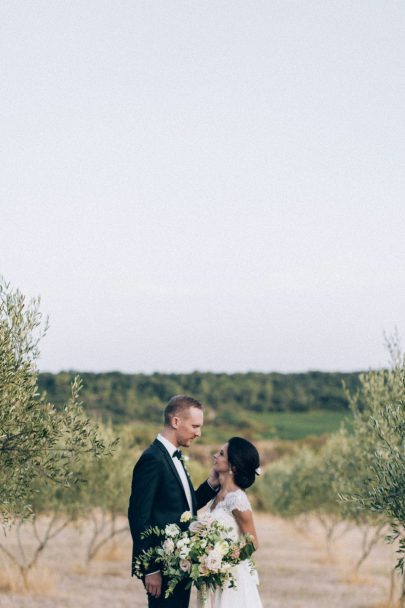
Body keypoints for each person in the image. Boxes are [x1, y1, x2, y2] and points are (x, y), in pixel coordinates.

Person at [128, 395, 220, 608]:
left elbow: (184, 508)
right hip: (161, 567)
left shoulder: (173, 456)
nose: (199, 433)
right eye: (195, 426)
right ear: (176, 422)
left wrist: (211, 484)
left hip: (180, 563)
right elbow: (138, 516)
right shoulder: (153, 459)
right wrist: (150, 569)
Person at [197, 437, 263, 608]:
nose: (215, 456)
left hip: (231, 579)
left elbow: (253, 542)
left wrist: (222, 563)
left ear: (233, 466)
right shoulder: (217, 494)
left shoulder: (237, 499)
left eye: (221, 454)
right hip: (212, 576)